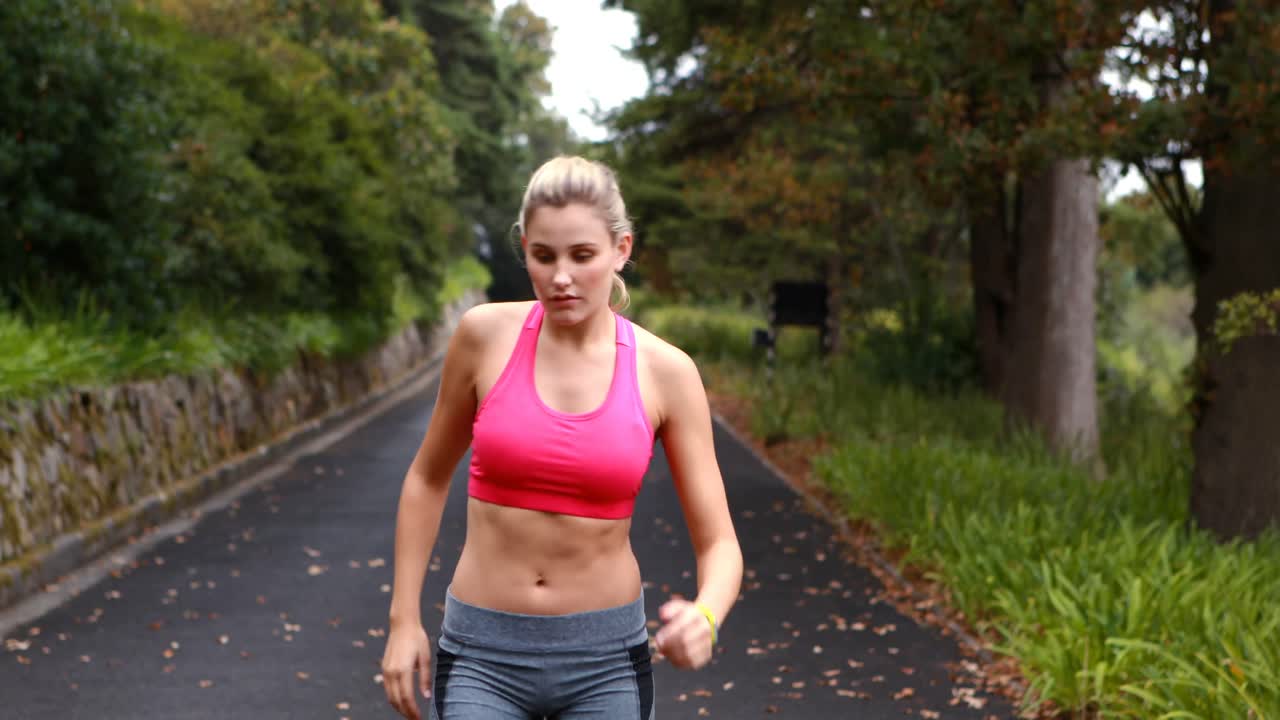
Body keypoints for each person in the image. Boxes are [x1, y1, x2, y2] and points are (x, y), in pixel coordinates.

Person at [380, 155, 744, 720]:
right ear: (524, 246)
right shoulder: (483, 337)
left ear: (621, 249)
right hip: (481, 656)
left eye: (583, 256)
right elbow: (427, 478)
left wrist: (707, 615)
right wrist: (404, 621)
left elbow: (719, 543)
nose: (561, 277)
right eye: (543, 256)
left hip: (605, 664)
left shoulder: (666, 371)